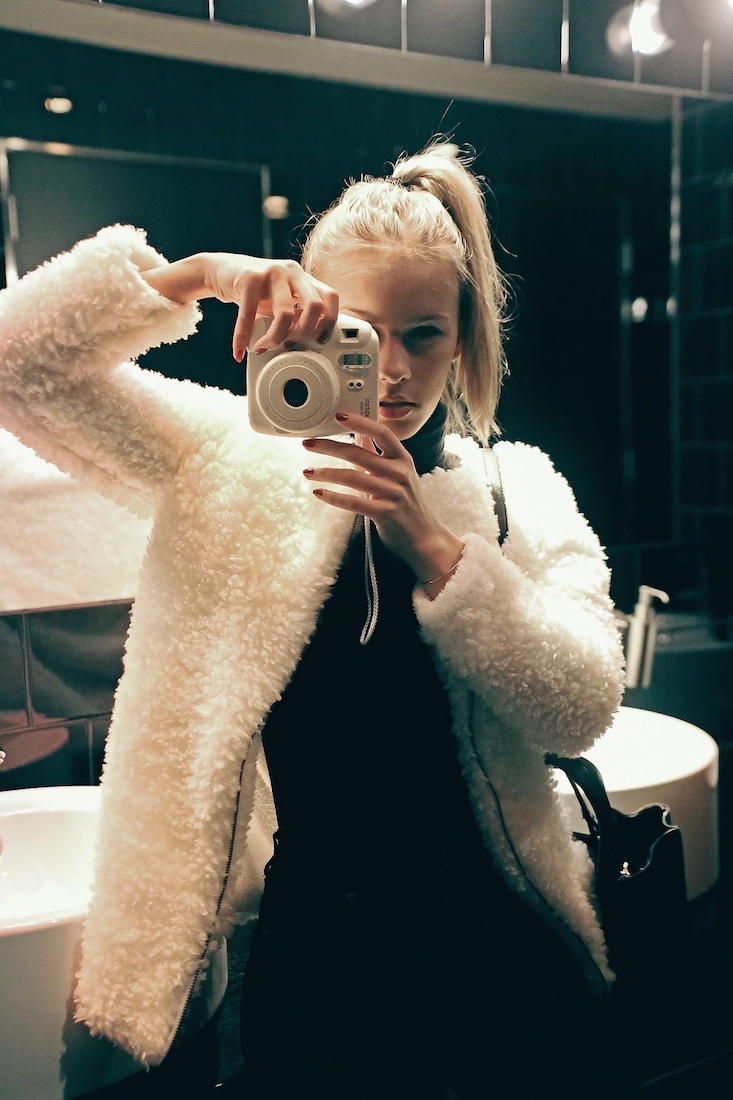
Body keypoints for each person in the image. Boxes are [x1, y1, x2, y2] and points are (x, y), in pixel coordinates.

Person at [0, 143, 625, 1099]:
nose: (396, 371)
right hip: (318, 957)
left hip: (500, 949)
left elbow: (581, 708)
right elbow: (20, 368)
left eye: (424, 334)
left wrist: (438, 552)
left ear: (462, 340)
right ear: (311, 325)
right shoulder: (228, 465)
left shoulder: (519, 491)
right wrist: (203, 277)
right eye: (362, 335)